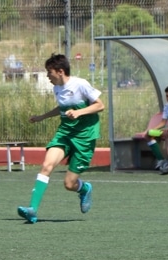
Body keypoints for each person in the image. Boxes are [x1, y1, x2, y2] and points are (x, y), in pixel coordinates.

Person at [16, 53, 104, 223]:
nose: (47, 76)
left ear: (60, 71)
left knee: (69, 184)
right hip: (65, 133)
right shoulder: (56, 88)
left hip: (84, 137)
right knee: (46, 166)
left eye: (49, 72)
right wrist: (42, 116)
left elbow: (100, 105)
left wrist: (78, 112)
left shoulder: (81, 84)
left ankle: (84, 188)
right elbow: (62, 108)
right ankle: (32, 210)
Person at [145, 84, 168, 174]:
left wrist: (167, 129)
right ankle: (161, 159)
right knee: (149, 134)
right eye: (167, 96)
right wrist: (151, 129)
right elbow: (163, 122)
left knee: (167, 134)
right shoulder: (167, 106)